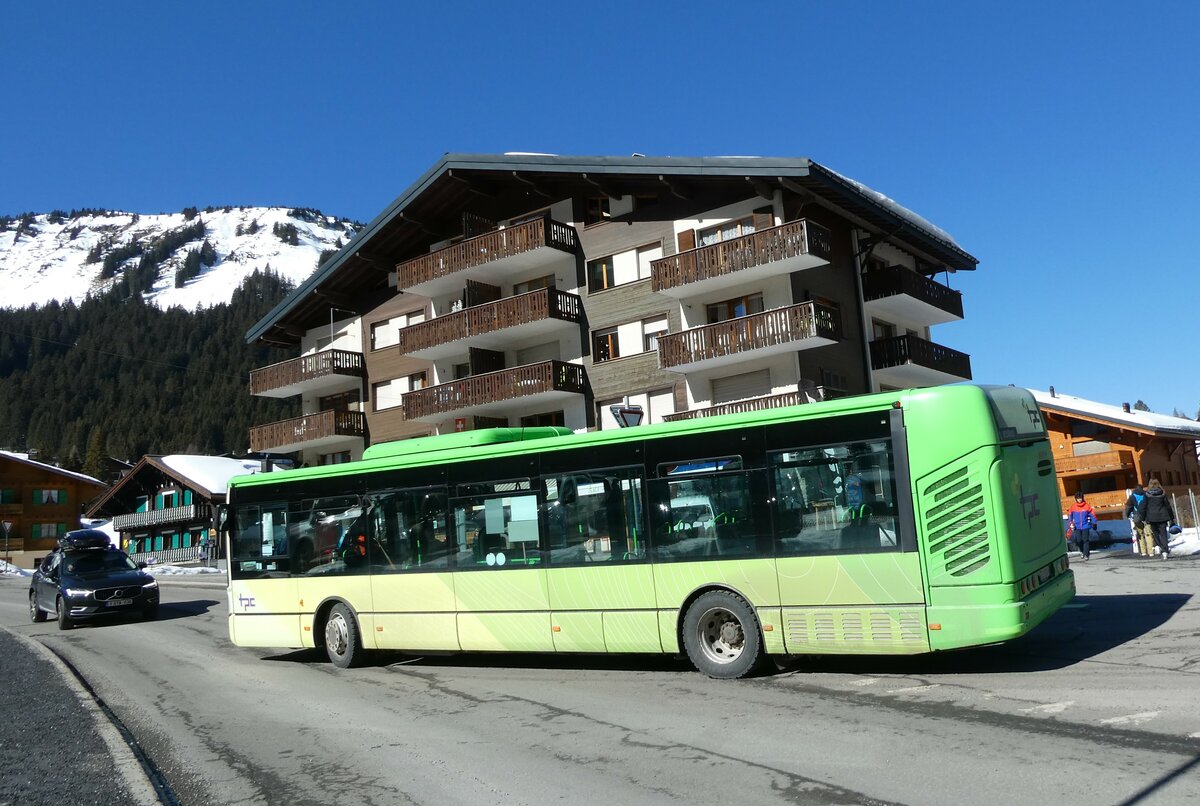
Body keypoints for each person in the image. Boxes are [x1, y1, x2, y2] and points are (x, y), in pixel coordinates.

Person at [1136, 479, 1177, 560]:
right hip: (1163, 516)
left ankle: (1161, 546)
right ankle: (1165, 550)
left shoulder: (1147, 495)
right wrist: (1172, 517)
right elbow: (1167, 506)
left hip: (1151, 517)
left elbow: (1143, 507)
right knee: (1163, 533)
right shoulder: (1162, 493)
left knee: (1155, 533)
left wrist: (1143, 518)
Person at [1123, 485, 1153, 557]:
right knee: (1148, 534)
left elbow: (1128, 507)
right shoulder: (1146, 495)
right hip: (1147, 517)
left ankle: (1143, 552)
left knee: (1140, 534)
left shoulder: (1132, 496)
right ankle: (1151, 552)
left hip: (1137, 517)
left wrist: (1127, 515)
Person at [1066, 491, 1098, 560]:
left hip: (1085, 526)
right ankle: (1082, 551)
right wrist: (1070, 523)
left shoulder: (1087, 506)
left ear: (1082, 498)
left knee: (1085, 540)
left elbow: (1092, 515)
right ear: (1076, 499)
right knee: (1079, 540)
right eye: (1078, 498)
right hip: (1077, 526)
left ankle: (1086, 554)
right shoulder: (1073, 507)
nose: (1079, 499)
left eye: (1080, 498)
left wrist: (1094, 523)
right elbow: (1070, 516)